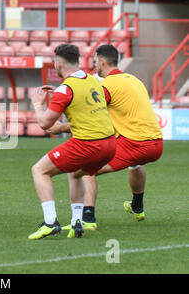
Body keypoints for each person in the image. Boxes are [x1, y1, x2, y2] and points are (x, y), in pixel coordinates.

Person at [55, 45, 163, 230]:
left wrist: (62, 127)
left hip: (134, 143)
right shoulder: (133, 79)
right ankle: (137, 205)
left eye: (95, 61)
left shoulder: (106, 86)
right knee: (135, 163)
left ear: (102, 62)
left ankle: (87, 218)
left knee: (84, 168)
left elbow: (91, 117)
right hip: (156, 144)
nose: (95, 64)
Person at [27, 44, 116, 240]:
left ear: (58, 64)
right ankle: (77, 223)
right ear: (78, 62)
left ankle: (50, 222)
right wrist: (60, 92)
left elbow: (44, 124)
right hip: (110, 144)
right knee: (75, 173)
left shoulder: (65, 90)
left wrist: (37, 104)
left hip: (88, 144)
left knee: (39, 170)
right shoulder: (93, 80)